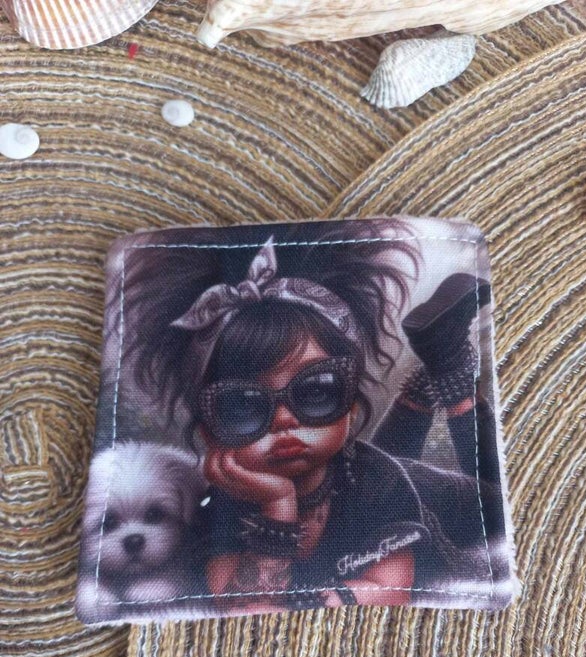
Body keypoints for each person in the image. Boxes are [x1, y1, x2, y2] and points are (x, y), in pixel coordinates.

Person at [125, 220, 506, 616]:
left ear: (351, 404)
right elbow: (244, 605)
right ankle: (440, 363)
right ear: (211, 432)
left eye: (316, 391)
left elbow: (391, 589)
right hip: (381, 472)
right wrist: (278, 505)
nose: (284, 421)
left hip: (439, 501)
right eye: (243, 406)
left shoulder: (380, 481)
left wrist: (308, 595)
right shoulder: (221, 511)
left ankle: (449, 371)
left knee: (492, 506)